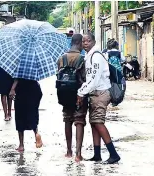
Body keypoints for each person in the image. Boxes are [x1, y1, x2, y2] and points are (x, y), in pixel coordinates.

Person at [77, 33, 121, 164]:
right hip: (94, 93)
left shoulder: (96, 57)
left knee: (98, 122)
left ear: (94, 42)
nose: (85, 43)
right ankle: (97, 155)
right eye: (83, 41)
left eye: (88, 41)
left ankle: (113, 154)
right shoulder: (88, 56)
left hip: (101, 92)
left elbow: (94, 80)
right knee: (94, 123)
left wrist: (81, 92)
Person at [57, 34, 87, 162]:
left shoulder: (61, 58)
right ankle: (78, 154)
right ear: (80, 43)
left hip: (64, 94)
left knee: (67, 120)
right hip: (79, 94)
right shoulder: (82, 59)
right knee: (79, 121)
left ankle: (68, 151)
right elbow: (85, 79)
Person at [9, 79, 43, 152]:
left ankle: (21, 145)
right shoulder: (33, 69)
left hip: (21, 92)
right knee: (32, 114)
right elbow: (40, 94)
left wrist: (12, 89)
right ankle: (36, 134)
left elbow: (17, 79)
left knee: (19, 118)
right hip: (34, 90)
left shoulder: (20, 68)